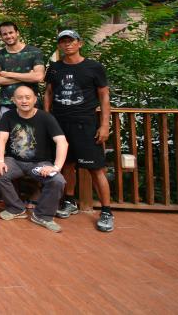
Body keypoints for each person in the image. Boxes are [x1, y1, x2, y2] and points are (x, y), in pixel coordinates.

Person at [44, 29, 114, 233]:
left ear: (80, 43)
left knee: (96, 169)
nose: (67, 44)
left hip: (86, 123)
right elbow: (48, 92)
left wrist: (104, 124)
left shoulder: (94, 67)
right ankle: (69, 201)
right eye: (63, 41)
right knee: (67, 164)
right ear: (59, 45)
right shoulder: (55, 68)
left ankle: (107, 211)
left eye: (71, 41)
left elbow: (104, 95)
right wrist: (47, 118)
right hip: (60, 124)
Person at [0, 85, 68, 233]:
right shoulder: (8, 116)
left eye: (28, 97)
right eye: (20, 98)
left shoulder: (46, 117)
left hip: (39, 163)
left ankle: (43, 215)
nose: (24, 101)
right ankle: (16, 208)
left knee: (58, 180)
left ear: (35, 99)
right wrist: (0, 161)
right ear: (13, 100)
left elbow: (62, 142)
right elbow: (1, 140)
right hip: (14, 161)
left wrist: (56, 167)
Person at [0, 21, 46, 116]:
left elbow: (39, 77)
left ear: (17, 33)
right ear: (1, 37)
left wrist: (8, 74)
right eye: (5, 34)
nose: (8, 36)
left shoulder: (35, 52)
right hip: (7, 105)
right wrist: (29, 76)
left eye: (11, 32)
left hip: (32, 105)